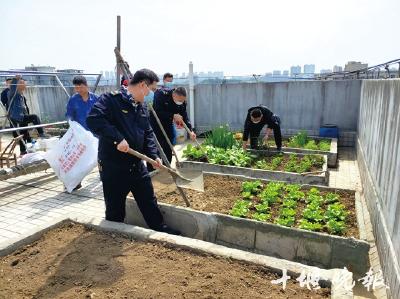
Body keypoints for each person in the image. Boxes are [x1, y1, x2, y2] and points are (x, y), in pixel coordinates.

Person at [86, 69, 180, 235]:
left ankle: (160, 229)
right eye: (151, 90)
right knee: (115, 208)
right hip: (114, 166)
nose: (152, 94)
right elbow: (93, 120)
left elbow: (148, 133)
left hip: (136, 165)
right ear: (143, 85)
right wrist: (117, 138)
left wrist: (153, 156)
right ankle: (113, 237)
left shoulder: (142, 106)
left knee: (148, 201)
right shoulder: (111, 100)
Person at [149, 86, 196, 167]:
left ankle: (167, 167)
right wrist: (173, 116)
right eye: (180, 100)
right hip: (155, 123)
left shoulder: (182, 101)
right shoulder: (161, 94)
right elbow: (158, 112)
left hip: (168, 124)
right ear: (174, 95)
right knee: (156, 146)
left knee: (168, 145)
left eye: (183, 100)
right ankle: (152, 169)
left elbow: (184, 116)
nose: (181, 102)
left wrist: (190, 131)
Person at [7, 76, 47, 155]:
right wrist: (16, 79)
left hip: (22, 116)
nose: (25, 86)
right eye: (23, 84)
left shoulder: (21, 95)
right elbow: (12, 88)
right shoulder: (13, 94)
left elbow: (24, 107)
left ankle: (23, 151)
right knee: (34, 117)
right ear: (18, 85)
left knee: (24, 133)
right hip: (18, 117)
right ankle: (41, 134)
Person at [161, 73, 177, 144]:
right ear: (164, 80)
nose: (169, 83)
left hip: (171, 119)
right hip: (162, 120)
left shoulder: (174, 92)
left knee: (173, 135)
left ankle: (171, 149)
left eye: (171, 81)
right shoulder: (160, 93)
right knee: (166, 137)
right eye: (168, 81)